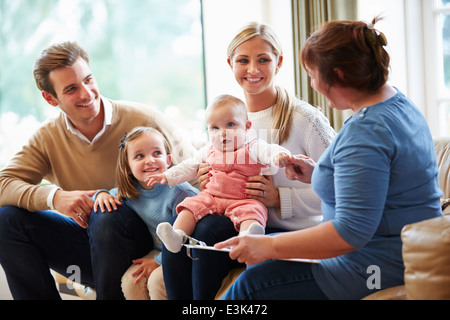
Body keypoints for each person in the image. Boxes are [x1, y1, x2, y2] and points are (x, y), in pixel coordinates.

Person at [215, 17, 444, 300]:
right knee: (242, 248)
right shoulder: (396, 103)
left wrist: (269, 248)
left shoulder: (366, 132)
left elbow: (350, 233)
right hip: (387, 252)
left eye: (313, 75)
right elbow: (378, 184)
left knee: (249, 287)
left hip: (374, 266)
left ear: (339, 76)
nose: (312, 85)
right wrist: (319, 173)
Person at [0, 41, 197, 299]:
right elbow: (4, 183)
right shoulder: (47, 138)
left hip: (146, 243)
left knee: (105, 213)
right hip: (89, 251)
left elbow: (197, 171)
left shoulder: (145, 120)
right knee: (6, 221)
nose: (86, 93)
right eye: (71, 89)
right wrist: (55, 197)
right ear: (50, 98)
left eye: (88, 80)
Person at [159, 22, 335, 300]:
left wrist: (279, 198)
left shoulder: (306, 120)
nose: (253, 69)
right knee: (182, 242)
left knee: (207, 234)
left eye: (263, 59)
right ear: (231, 64)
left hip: (287, 231)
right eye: (243, 60)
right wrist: (207, 178)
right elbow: (205, 168)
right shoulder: (225, 117)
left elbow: (341, 191)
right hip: (235, 218)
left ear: (278, 62)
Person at [148, 95, 291, 254]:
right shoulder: (209, 149)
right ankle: (178, 236)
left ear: (247, 126)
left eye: (230, 125)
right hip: (212, 197)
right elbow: (189, 166)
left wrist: (279, 156)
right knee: (190, 206)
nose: (223, 133)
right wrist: (167, 176)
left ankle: (248, 237)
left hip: (243, 200)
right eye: (215, 128)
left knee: (254, 211)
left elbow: (269, 151)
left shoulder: (253, 146)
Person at [92, 126, 198, 298]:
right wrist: (100, 195)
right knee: (130, 281)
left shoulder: (180, 193)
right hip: (158, 249)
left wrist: (158, 261)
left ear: (168, 159)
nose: (150, 160)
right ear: (128, 165)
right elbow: (105, 198)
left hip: (184, 251)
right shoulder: (130, 191)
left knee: (157, 280)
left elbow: (192, 239)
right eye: (140, 156)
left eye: (157, 153)